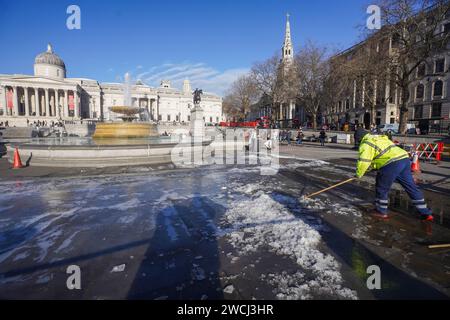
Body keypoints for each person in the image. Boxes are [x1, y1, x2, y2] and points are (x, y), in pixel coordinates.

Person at [355, 131, 433, 221]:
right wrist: (373, 168)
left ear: (359, 139)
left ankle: (381, 211)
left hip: (391, 163)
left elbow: (364, 161)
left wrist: (358, 174)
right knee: (411, 187)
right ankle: (426, 212)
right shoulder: (379, 138)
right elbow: (381, 155)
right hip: (404, 159)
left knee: (382, 188)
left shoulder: (366, 143)